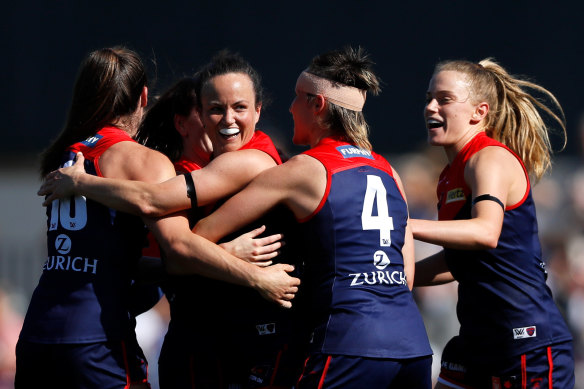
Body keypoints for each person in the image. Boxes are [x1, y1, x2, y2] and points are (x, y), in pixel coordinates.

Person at [17, 46, 298, 389]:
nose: (227, 120)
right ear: (143, 96)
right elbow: (176, 244)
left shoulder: (69, 155)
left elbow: (122, 260)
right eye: (214, 109)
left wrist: (82, 181)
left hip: (38, 332)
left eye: (239, 107)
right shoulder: (143, 162)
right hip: (98, 335)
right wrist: (248, 270)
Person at [193, 46, 434, 388]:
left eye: (296, 97)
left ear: (317, 104)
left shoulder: (303, 170)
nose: (290, 108)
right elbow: (405, 277)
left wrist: (240, 261)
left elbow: (200, 235)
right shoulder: (389, 171)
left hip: (348, 344)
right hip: (414, 348)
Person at [412, 58, 575, 388]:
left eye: (444, 99)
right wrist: (395, 277)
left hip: (525, 341)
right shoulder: (448, 177)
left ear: (478, 112)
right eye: (429, 97)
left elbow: (486, 232)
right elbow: (461, 260)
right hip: (477, 340)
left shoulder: (489, 157)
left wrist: (402, 224)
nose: (430, 107)